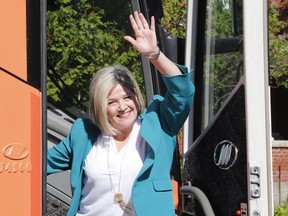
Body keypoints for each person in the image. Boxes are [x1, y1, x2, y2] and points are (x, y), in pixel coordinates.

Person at [47, 11, 195, 216]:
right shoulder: (83, 133)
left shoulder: (159, 124)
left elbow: (183, 92)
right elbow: (36, 164)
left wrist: (155, 55)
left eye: (127, 97)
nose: (123, 106)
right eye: (112, 102)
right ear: (100, 106)